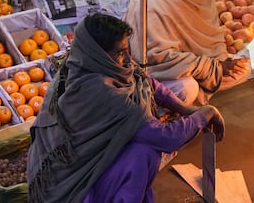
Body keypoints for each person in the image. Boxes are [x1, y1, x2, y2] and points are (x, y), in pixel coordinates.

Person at [27, 13, 226, 203]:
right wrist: (204, 114)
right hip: (73, 186)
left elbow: (144, 80)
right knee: (143, 153)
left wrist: (183, 108)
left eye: (126, 49)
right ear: (98, 54)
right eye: (120, 53)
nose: (127, 57)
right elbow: (166, 137)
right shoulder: (98, 90)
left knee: (139, 145)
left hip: (89, 162)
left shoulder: (85, 62)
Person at [125, 0, 250, 105]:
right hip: (159, 74)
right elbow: (156, 59)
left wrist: (219, 63)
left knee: (243, 69)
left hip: (195, 65)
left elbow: (212, 37)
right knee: (186, 88)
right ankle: (164, 110)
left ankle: (195, 93)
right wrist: (212, 68)